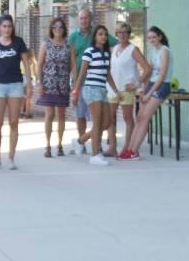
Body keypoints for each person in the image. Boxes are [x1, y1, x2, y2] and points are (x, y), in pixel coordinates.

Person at [0, 14, 33, 170]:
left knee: (14, 122)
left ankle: (11, 158)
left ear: (12, 27)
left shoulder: (18, 43)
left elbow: (26, 63)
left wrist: (29, 84)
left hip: (15, 85)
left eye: (9, 26)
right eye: (4, 26)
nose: (7, 29)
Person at [117, 26, 172, 161]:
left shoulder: (165, 51)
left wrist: (149, 94)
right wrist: (143, 90)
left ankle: (134, 151)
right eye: (149, 38)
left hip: (162, 86)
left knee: (145, 117)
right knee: (140, 117)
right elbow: (150, 73)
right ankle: (129, 149)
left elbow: (162, 76)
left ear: (160, 37)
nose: (152, 40)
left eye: (154, 37)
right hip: (151, 85)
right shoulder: (154, 51)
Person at [68, 8, 117, 154]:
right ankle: (88, 147)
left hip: (100, 87)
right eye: (81, 18)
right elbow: (73, 61)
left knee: (105, 121)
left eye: (86, 18)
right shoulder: (74, 37)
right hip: (84, 83)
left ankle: (83, 141)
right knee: (82, 115)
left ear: (90, 19)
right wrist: (75, 90)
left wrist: (116, 90)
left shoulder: (100, 42)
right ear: (79, 19)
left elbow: (116, 43)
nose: (83, 20)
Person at [106, 22, 150, 157]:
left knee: (127, 118)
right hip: (113, 89)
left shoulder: (133, 49)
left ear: (129, 34)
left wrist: (136, 84)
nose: (122, 35)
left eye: (125, 32)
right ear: (116, 34)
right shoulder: (113, 49)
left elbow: (147, 69)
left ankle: (127, 147)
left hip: (127, 88)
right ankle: (112, 147)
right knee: (109, 118)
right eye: (119, 32)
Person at [36, 17, 75, 157]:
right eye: (55, 27)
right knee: (49, 115)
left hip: (63, 84)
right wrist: (39, 83)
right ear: (51, 29)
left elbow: (73, 66)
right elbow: (39, 64)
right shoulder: (45, 44)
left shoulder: (69, 46)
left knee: (61, 115)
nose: (57, 29)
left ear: (64, 30)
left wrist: (74, 83)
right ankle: (47, 145)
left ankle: (59, 144)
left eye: (60, 27)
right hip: (48, 84)